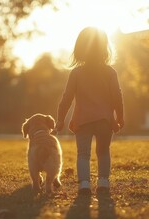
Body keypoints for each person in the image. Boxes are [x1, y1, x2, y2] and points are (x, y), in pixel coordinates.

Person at [55, 27, 124, 195]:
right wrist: (120, 118)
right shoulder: (110, 72)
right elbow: (117, 97)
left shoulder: (76, 73)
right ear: (104, 48)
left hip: (82, 121)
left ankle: (84, 184)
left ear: (80, 49)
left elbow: (67, 98)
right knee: (103, 152)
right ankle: (103, 182)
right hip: (104, 121)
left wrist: (60, 119)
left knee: (83, 154)